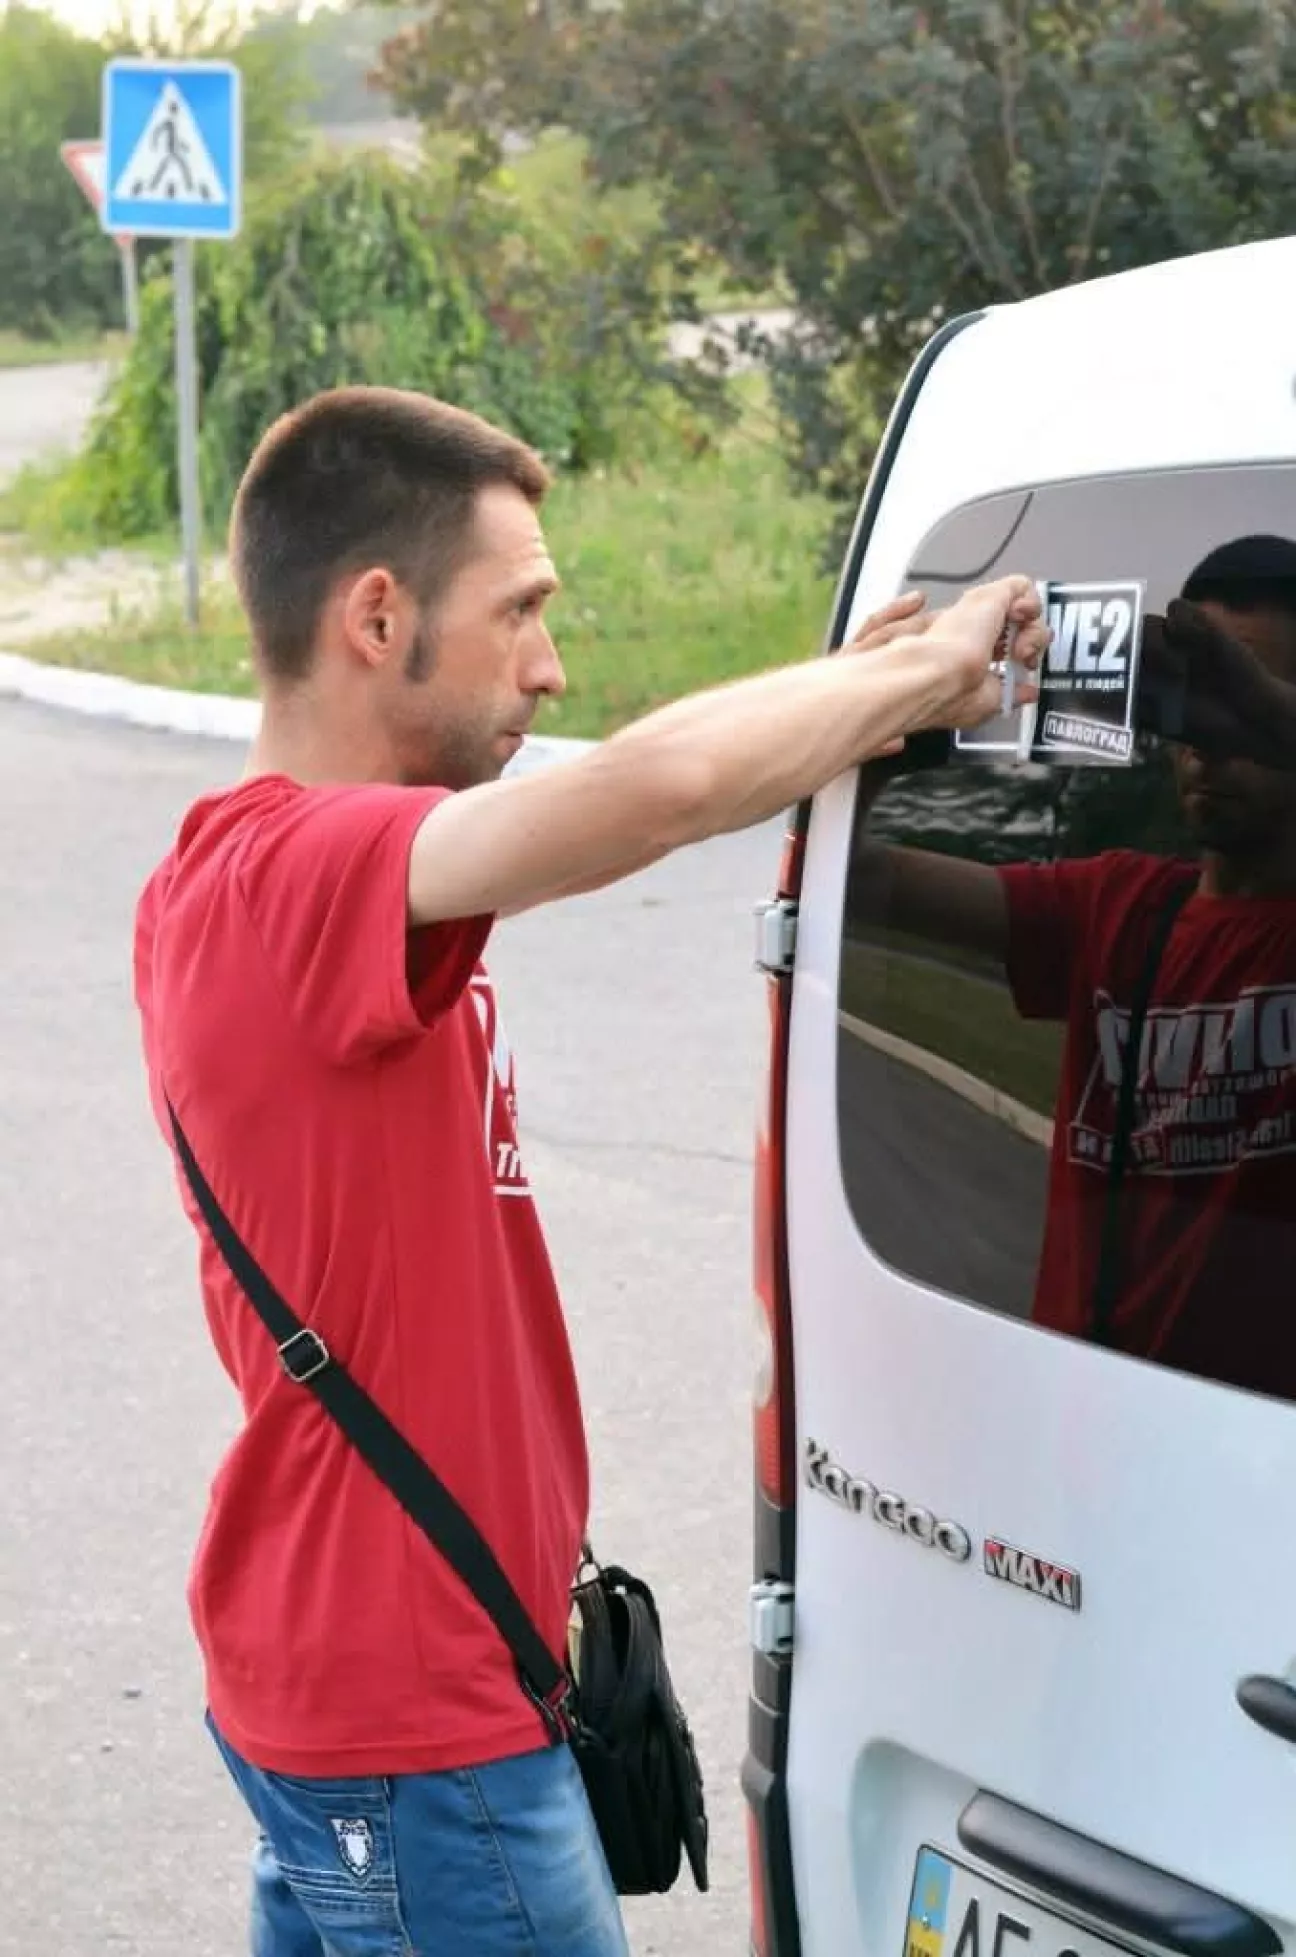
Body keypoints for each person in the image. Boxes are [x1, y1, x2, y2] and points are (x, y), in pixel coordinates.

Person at [132, 384, 1045, 1957]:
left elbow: (647, 764)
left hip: (363, 1694)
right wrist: (931, 673)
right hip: (421, 1729)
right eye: (522, 612)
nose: (549, 665)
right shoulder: (286, 880)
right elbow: (649, 794)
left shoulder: (293, 889)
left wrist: (850, 684)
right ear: (376, 619)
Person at [852, 535, 1296, 1397]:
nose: (1208, 741)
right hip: (1077, 1415)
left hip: (1258, 1441)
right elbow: (860, 882)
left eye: (1241, 698)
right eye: (1192, 701)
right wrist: (896, 707)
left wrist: (1268, 715)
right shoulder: (1118, 905)